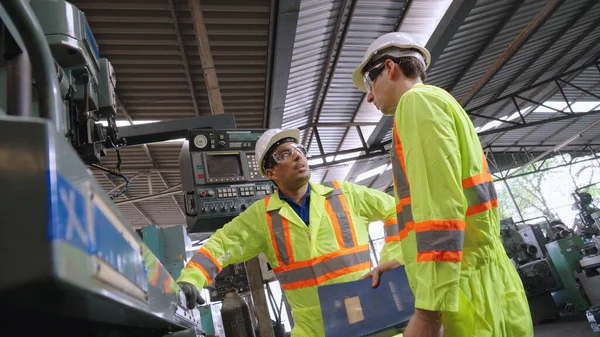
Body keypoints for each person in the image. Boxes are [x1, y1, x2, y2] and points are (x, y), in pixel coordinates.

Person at [352, 32, 533, 337]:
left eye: (369, 85)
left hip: (461, 295)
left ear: (389, 67)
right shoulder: (441, 101)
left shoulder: (416, 103)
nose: (369, 96)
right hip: (484, 281)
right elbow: (456, 205)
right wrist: (402, 260)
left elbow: (440, 208)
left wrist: (428, 312)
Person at [176, 128, 403, 337]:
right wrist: (191, 280)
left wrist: (391, 258)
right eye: (285, 154)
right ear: (270, 172)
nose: (298, 156)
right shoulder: (262, 216)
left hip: (367, 317)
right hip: (312, 330)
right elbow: (222, 244)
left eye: (299, 150)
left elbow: (395, 209)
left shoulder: (345, 194)